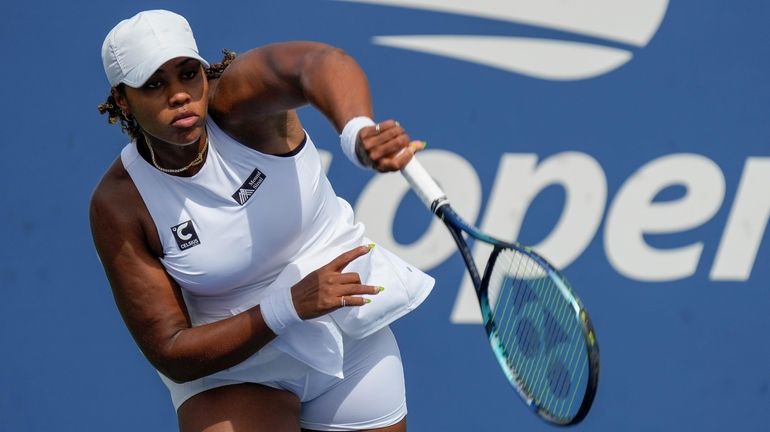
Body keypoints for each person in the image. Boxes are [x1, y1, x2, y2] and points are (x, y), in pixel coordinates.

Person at [90, 9, 434, 432]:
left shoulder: (238, 105)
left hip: (344, 331)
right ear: (123, 99)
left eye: (187, 74)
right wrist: (287, 306)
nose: (179, 95)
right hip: (232, 367)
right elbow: (171, 349)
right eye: (154, 84)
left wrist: (358, 133)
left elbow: (316, 63)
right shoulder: (122, 203)